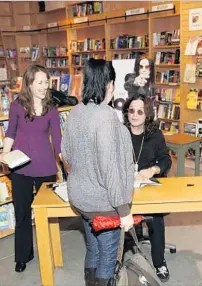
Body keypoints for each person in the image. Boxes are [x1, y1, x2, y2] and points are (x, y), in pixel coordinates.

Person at [61, 58, 135, 286]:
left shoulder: (75, 111)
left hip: (80, 198)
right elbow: (110, 169)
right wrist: (123, 211)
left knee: (93, 248)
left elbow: (67, 156)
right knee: (108, 256)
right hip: (103, 203)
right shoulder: (106, 116)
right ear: (110, 85)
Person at [0, 65, 62, 273]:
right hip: (21, 167)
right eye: (40, 82)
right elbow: (10, 132)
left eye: (47, 82)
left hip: (46, 167)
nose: (45, 86)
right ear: (30, 83)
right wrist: (4, 155)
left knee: (48, 213)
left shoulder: (51, 107)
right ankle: (23, 256)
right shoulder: (17, 106)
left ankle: (52, 250)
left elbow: (58, 137)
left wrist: (63, 158)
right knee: (23, 213)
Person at [122, 94, 172, 282]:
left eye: (140, 111)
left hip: (148, 185)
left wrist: (153, 169)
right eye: (131, 110)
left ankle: (159, 262)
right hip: (125, 186)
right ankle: (117, 260)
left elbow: (166, 160)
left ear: (147, 114)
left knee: (156, 219)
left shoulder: (155, 135)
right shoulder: (120, 132)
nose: (134, 115)